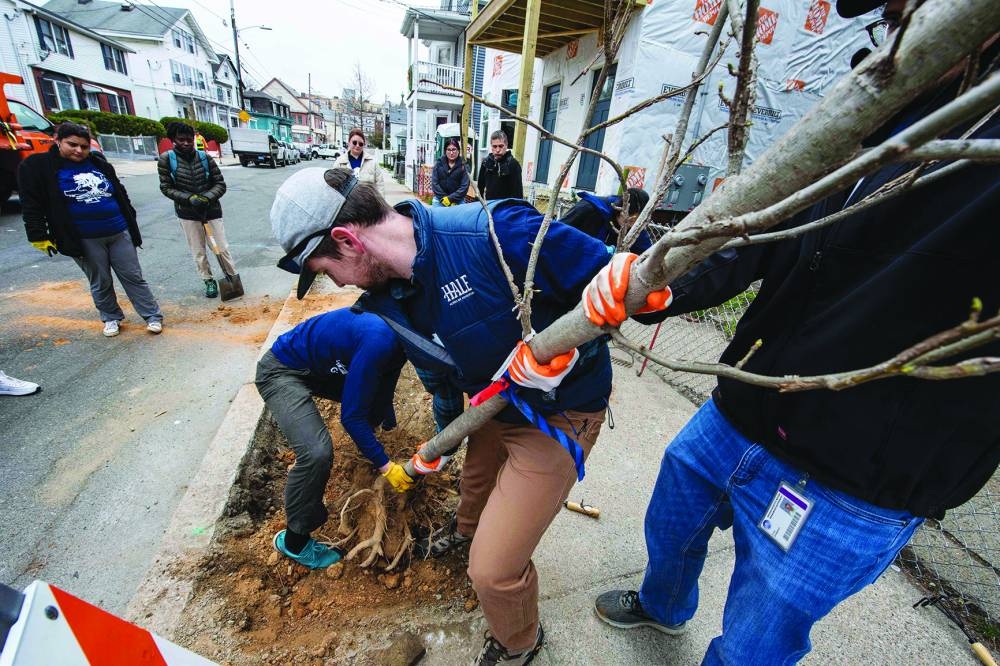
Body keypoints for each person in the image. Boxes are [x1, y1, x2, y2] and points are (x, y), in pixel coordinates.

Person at [593, 1, 1000, 663]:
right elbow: (763, 230)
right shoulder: (865, 113)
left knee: (756, 641)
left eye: (911, 16)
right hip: (742, 407)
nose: (895, 38)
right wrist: (665, 279)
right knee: (673, 515)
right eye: (889, 24)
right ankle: (665, 607)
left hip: (852, 476)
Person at [270, 167, 670, 665]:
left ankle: (519, 642)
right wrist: (442, 439)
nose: (336, 283)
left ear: (346, 241)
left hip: (559, 414)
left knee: (493, 571)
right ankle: (464, 533)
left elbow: (638, 282)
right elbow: (441, 370)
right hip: (492, 409)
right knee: (474, 486)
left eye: (326, 270)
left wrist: (583, 337)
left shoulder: (496, 234)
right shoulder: (389, 298)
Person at [255, 307, 408, 569]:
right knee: (316, 452)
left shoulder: (403, 339)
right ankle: (294, 542)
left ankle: (364, 466)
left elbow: (383, 386)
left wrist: (390, 433)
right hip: (281, 371)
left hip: (323, 369)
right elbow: (351, 418)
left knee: (369, 404)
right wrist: (386, 466)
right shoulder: (381, 339)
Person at [19, 122, 163, 337]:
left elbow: (120, 193)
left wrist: (130, 220)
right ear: (57, 141)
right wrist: (38, 235)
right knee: (101, 280)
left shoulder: (99, 164)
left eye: (84, 146)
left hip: (117, 231)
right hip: (84, 237)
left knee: (133, 276)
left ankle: (152, 315)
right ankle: (111, 317)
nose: (79, 150)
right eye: (72, 145)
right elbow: (31, 205)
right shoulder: (39, 167)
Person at [157, 121, 234, 299]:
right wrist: (189, 199)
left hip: (211, 210)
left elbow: (220, 184)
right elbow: (166, 187)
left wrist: (207, 197)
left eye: (189, 140)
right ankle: (208, 280)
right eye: (181, 140)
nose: (186, 143)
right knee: (198, 251)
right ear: (173, 140)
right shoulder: (167, 160)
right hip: (188, 213)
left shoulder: (205, 158)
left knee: (221, 247)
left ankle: (231, 276)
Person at [559, 188, 652, 254]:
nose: (631, 227)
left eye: (636, 223)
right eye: (630, 221)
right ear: (620, 209)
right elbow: (558, 233)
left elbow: (646, 255)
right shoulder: (589, 208)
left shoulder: (634, 228)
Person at [333, 127, 385, 196]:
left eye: (360, 144)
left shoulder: (372, 162)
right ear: (349, 143)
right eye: (354, 143)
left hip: (368, 204)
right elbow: (333, 186)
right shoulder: (339, 162)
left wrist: (380, 204)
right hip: (346, 205)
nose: (357, 145)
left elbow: (380, 185)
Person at [477, 130, 523, 200]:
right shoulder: (486, 163)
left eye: (501, 146)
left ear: (506, 146)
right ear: (491, 147)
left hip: (506, 207)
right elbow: (480, 188)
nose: (498, 150)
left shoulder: (513, 164)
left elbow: (518, 194)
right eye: (494, 146)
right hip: (490, 206)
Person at [430, 138, 469, 207]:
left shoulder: (464, 166)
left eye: (454, 149)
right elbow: (434, 183)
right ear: (445, 151)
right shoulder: (439, 164)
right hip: (440, 199)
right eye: (449, 150)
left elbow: (464, 187)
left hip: (458, 201)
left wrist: (450, 199)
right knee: (436, 216)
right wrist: (444, 198)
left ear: (458, 151)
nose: (451, 153)